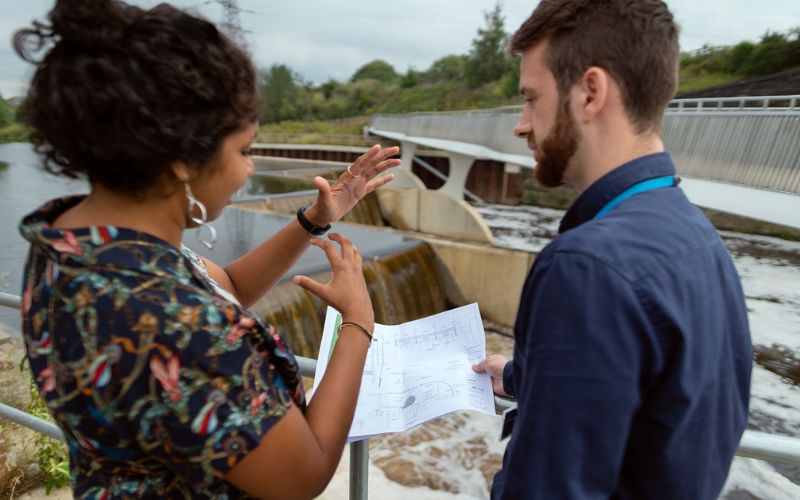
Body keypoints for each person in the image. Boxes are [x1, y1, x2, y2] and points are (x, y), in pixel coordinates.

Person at [15, 0, 400, 498]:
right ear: (180, 157)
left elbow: (229, 287)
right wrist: (357, 321)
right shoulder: (173, 323)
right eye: (243, 149)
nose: (248, 169)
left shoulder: (69, 242)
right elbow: (302, 474)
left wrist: (314, 220)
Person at [472, 1, 752, 498]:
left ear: (591, 93)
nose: (521, 125)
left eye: (533, 99)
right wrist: (522, 376)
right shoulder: (698, 237)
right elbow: (657, 395)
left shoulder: (586, 267)